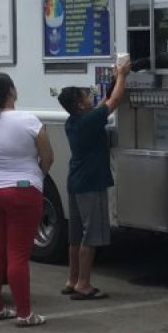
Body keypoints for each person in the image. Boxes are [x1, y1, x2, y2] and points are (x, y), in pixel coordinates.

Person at [0, 73, 54, 327]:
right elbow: (48, 156)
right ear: (12, 92)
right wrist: (35, 176)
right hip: (22, 188)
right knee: (18, 252)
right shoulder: (28, 120)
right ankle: (24, 313)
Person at [57, 60, 130, 300]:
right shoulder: (89, 120)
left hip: (75, 181)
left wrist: (113, 81)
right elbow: (115, 101)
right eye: (84, 95)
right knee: (91, 234)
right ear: (79, 104)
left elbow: (102, 104)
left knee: (75, 235)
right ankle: (84, 285)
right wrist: (122, 74)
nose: (89, 96)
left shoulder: (74, 121)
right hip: (91, 182)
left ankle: (72, 278)